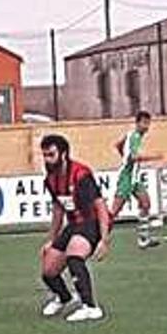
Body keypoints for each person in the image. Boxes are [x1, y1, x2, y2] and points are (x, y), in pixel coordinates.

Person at [39, 134, 113, 322]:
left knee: (74, 255)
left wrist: (104, 239)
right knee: (48, 271)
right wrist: (51, 240)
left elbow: (100, 206)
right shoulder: (50, 179)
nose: (47, 159)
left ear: (63, 154)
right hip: (73, 225)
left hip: (91, 223)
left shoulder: (81, 174)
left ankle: (90, 307)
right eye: (45, 155)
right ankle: (64, 298)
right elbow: (58, 210)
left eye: (51, 155)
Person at [111, 111, 163, 248]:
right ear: (138, 123)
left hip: (134, 178)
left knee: (145, 203)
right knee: (114, 211)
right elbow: (134, 157)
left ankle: (143, 239)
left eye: (148, 123)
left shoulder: (132, 135)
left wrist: (124, 156)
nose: (147, 126)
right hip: (126, 177)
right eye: (144, 123)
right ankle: (96, 236)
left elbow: (117, 144)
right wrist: (154, 157)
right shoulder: (134, 137)